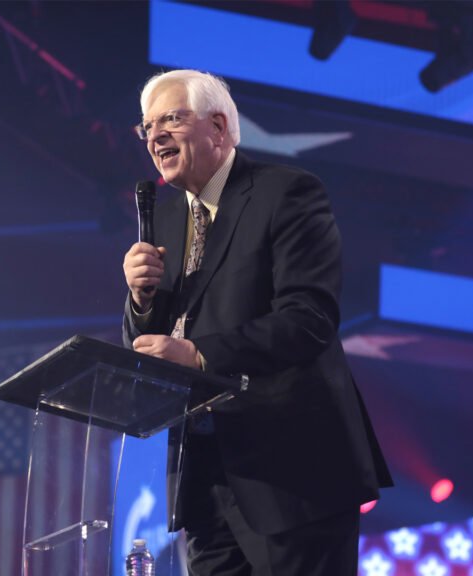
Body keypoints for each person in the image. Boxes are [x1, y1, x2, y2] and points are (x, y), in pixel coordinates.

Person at [122, 69, 391, 576]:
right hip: (204, 478)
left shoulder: (285, 193)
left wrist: (200, 356)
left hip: (293, 474)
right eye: (147, 126)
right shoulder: (168, 221)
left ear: (219, 127)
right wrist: (140, 299)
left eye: (171, 119)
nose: (154, 135)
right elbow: (148, 344)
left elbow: (309, 319)